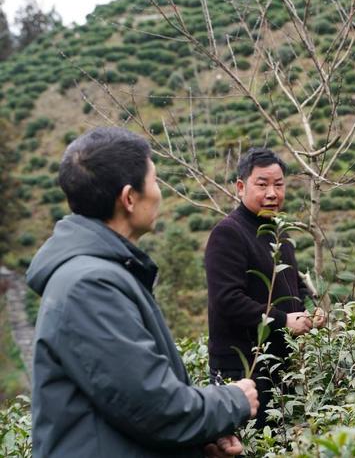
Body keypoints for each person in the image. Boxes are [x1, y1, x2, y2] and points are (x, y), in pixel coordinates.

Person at [27, 127, 258, 458]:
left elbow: (120, 407)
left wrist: (196, 443)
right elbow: (153, 406)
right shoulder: (89, 286)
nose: (160, 192)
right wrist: (233, 401)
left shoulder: (104, 273)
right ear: (129, 198)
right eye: (155, 180)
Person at [205, 148, 325, 429]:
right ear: (240, 186)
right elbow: (228, 300)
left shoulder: (278, 233)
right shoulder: (229, 233)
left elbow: (295, 285)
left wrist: (312, 311)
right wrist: (283, 321)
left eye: (279, 185)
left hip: (279, 367)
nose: (272, 193)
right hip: (242, 369)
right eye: (262, 184)